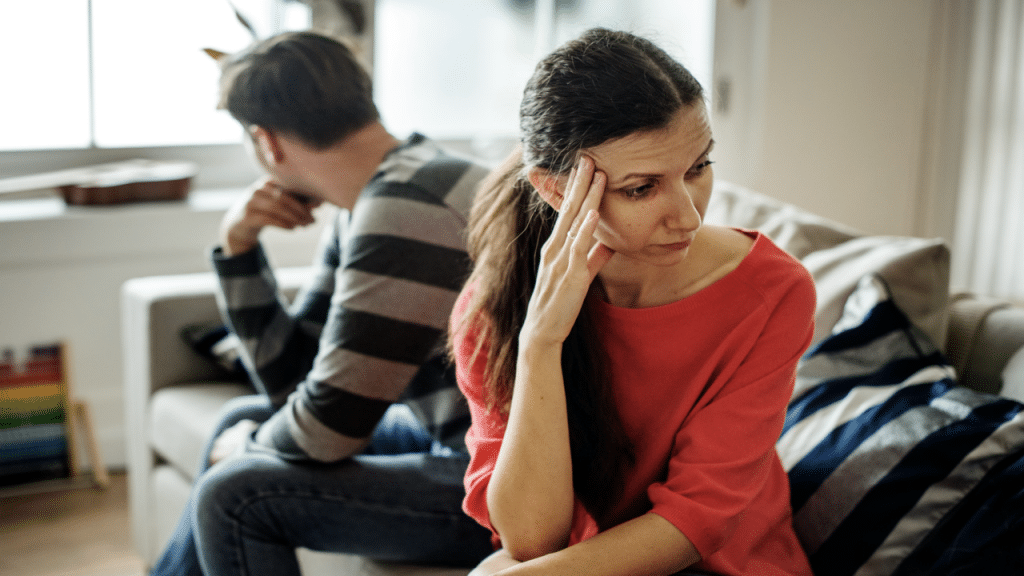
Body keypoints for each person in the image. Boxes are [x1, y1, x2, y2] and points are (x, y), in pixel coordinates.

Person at [449, 28, 816, 576]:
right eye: (642, 188)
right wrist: (541, 343)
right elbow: (531, 539)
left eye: (698, 168)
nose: (688, 216)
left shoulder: (772, 291)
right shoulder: (496, 303)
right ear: (556, 190)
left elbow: (695, 522)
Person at [150, 31, 494, 576]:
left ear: (267, 142)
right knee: (242, 416)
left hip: (508, 485)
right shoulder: (398, 182)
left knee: (235, 494)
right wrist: (238, 247)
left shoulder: (405, 210)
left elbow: (328, 431)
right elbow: (295, 382)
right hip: (472, 443)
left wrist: (251, 448)